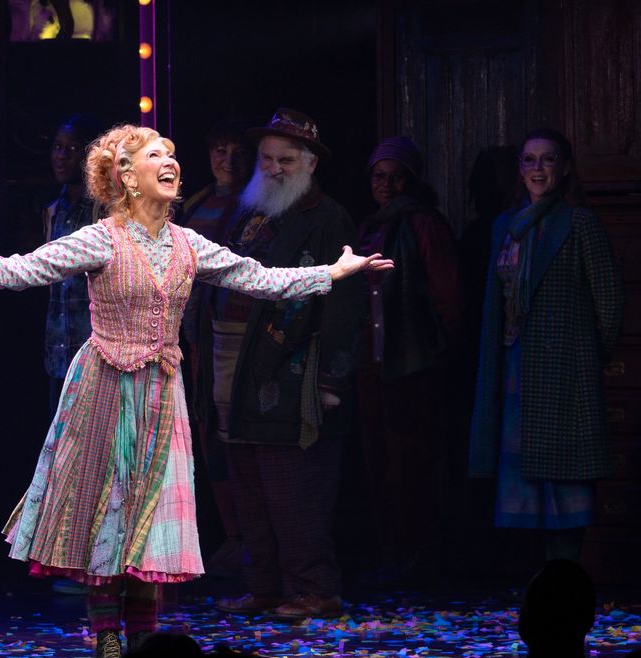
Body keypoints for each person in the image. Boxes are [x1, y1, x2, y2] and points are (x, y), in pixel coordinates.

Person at [0, 123, 392, 658]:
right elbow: (25, 269)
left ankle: (146, 642)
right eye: (157, 155)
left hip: (161, 394)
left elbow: (262, 279)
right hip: (104, 390)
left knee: (152, 523)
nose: (171, 161)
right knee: (110, 514)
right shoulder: (100, 238)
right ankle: (107, 637)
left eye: (173, 153)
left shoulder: (189, 243)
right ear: (126, 176)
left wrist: (334, 272)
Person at [193, 108, 363, 619]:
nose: (274, 168)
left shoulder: (328, 218)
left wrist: (332, 378)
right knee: (248, 484)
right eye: (267, 159)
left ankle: (312, 588)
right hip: (232, 365)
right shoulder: (247, 213)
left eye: (286, 160)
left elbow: (344, 301)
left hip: (289, 372)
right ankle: (265, 585)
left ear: (309, 165)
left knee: (295, 487)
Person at [468, 128, 622, 562]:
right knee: (527, 492)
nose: (538, 169)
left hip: (564, 374)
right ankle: (541, 586)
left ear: (565, 167)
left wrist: (585, 361)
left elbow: (609, 303)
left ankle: (565, 582)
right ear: (520, 169)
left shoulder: (579, 224)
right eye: (530, 160)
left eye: (548, 160)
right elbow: (495, 304)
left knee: (565, 487)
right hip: (517, 366)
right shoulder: (506, 226)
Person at [354, 136, 461, 582]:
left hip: (412, 362)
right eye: (380, 176)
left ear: (412, 181)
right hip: (372, 363)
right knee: (379, 463)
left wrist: (441, 353)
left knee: (412, 464)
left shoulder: (423, 224)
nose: (387, 185)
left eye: (397, 176)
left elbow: (448, 295)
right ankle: (391, 553)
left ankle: (418, 556)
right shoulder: (368, 228)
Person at [178, 119, 254, 576]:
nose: (227, 160)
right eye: (218, 151)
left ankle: (250, 536)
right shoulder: (199, 204)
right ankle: (231, 534)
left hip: (234, 332)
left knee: (235, 430)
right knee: (208, 432)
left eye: (236, 151)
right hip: (197, 332)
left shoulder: (256, 207)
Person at [42, 115, 102, 598]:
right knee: (66, 458)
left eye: (71, 148)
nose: (61, 156)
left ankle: (96, 562)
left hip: (94, 350)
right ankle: (71, 556)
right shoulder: (53, 210)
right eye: (56, 147)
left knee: (95, 460)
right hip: (58, 351)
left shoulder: (103, 212)